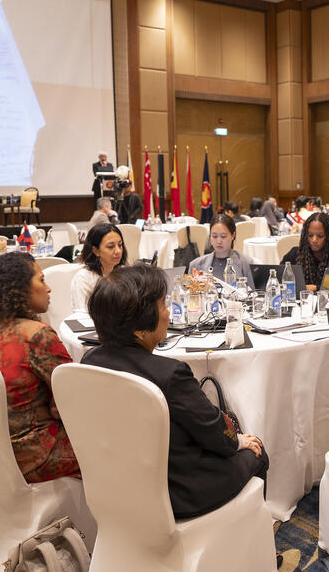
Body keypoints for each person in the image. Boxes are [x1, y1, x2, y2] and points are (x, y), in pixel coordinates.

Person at [81, 265, 268, 518]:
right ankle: (258, 545)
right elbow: (214, 433)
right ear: (139, 329)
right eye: (162, 305)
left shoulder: (89, 362)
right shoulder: (170, 375)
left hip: (119, 484)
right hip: (180, 492)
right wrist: (238, 441)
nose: (169, 313)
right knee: (257, 451)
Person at [0, 252, 79, 483]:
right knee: (120, 440)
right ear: (18, 289)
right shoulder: (36, 335)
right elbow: (73, 401)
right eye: (41, 280)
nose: (49, 288)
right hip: (36, 454)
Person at [279, 212, 329, 298]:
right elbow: (279, 279)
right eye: (310, 235)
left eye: (320, 236)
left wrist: (315, 288)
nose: (314, 240)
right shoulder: (294, 255)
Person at [187, 214, 255, 288]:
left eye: (223, 236)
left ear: (233, 235)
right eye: (214, 236)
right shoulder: (196, 265)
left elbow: (252, 295)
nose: (219, 241)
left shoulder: (246, 263)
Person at [71, 222, 126, 314]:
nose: (118, 251)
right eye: (110, 246)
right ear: (96, 251)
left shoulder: (123, 272)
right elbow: (81, 315)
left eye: (120, 245)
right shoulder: (84, 278)